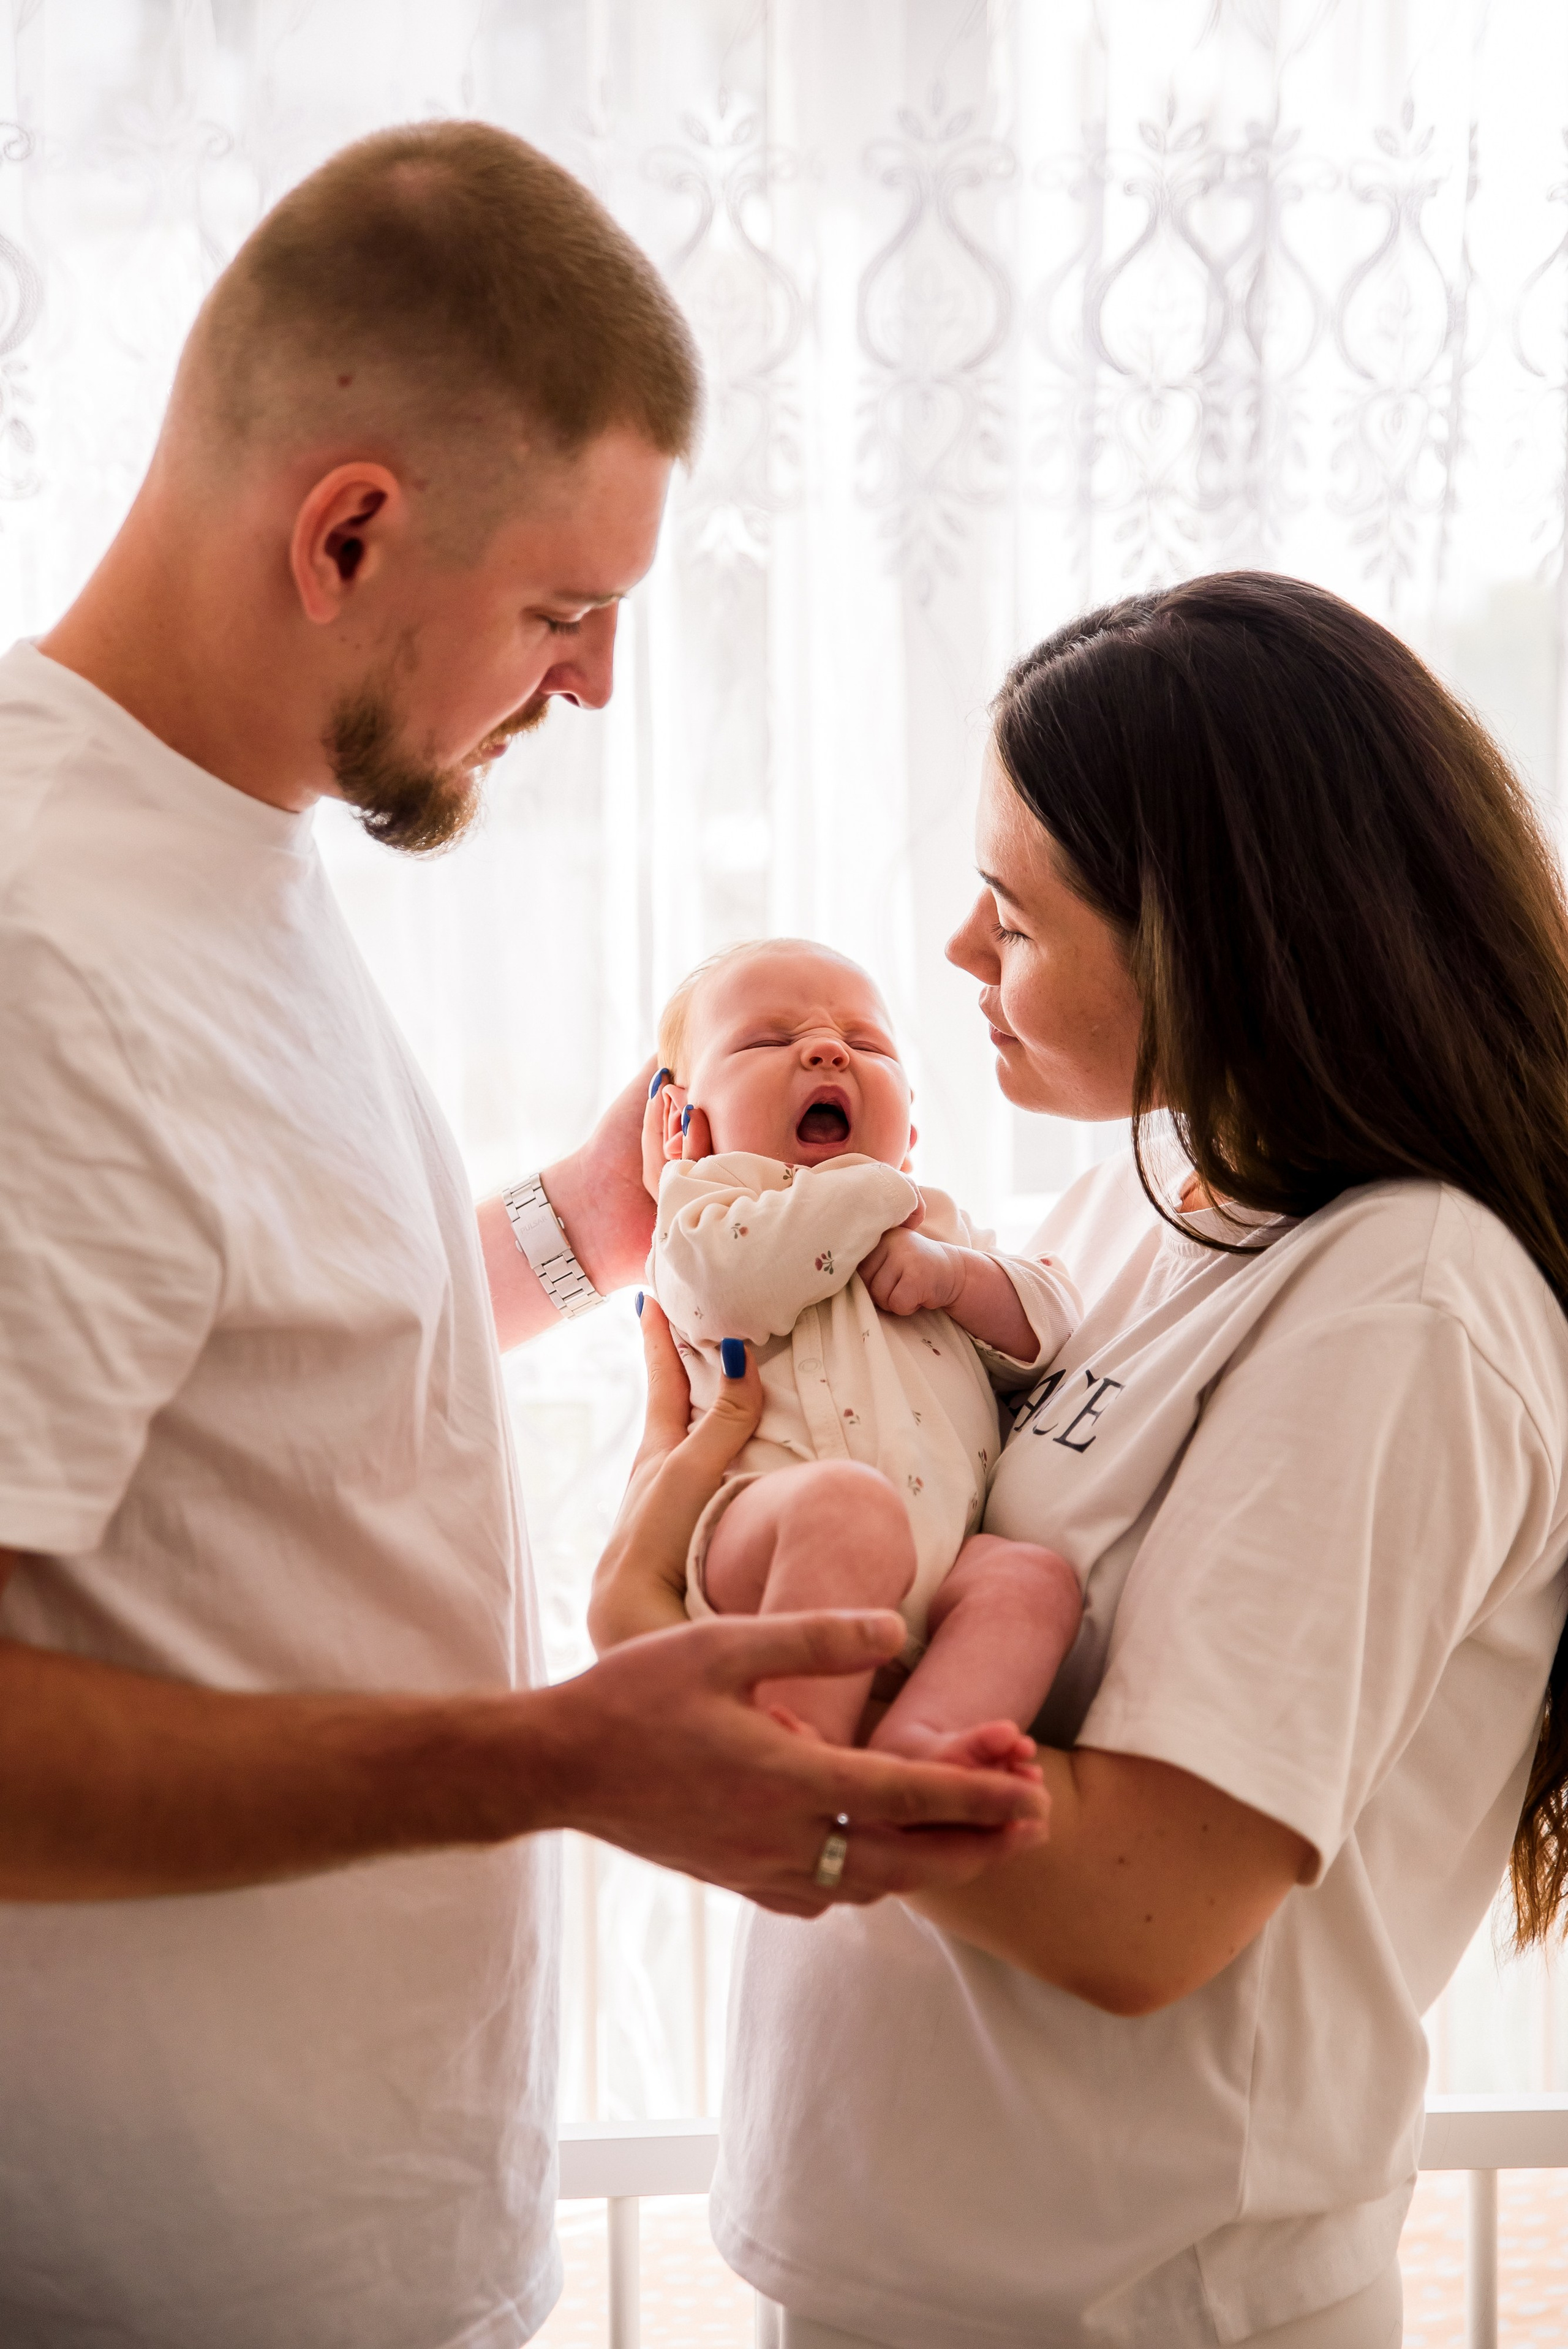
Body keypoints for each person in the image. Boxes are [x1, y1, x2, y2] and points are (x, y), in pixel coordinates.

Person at [0, 122, 1048, 2349]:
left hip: (360, 2243)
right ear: (349, 531)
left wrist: (583, 1228)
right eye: (567, 613)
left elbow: (247, 1353)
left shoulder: (225, 849)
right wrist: (562, 1754)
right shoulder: (39, 945)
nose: (594, 690)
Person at [602, 572, 1568, 2349]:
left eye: (1013, 915)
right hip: (893, 2257)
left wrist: (700, 1701)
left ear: (1219, 938)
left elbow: (1148, 1907)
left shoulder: (1407, 1298)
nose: (957, 958)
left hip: (1133, 2303)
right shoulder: (1133, 1199)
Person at [591, 935, 1083, 1772]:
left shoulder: (937, 1232)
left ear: (911, 1126)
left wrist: (957, 1278)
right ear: (683, 1123)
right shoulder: (707, 1212)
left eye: (868, 1045)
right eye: (767, 1040)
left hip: (937, 1564)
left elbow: (1053, 1328)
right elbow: (726, 1295)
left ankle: (925, 1746)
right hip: (772, 1543)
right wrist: (873, 1184)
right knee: (846, 1508)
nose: (827, 1050)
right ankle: (796, 1771)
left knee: (1033, 1581)